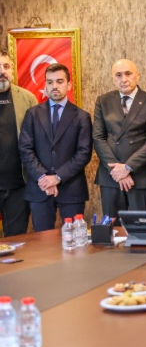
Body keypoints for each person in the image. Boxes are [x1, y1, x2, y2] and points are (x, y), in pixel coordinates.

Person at [18, 63, 92, 231]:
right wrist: (43, 178)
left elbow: (83, 153)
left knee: (74, 240)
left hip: (71, 189)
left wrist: (57, 177)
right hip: (40, 189)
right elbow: (25, 149)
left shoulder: (82, 117)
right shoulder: (32, 114)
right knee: (43, 242)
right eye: (50, 82)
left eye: (59, 81)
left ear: (69, 85)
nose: (54, 86)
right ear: (45, 84)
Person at [93, 59, 146, 220]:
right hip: (111, 176)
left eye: (128, 74)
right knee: (113, 230)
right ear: (112, 78)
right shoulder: (103, 101)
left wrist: (128, 167)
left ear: (137, 76)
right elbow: (98, 137)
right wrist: (117, 170)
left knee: (144, 229)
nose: (123, 79)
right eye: (118, 75)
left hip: (141, 176)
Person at [0, 49, 36, 236]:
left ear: (12, 69)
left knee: (16, 242)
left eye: (6, 66)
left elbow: (39, 140)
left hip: (19, 186)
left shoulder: (28, 98)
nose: (2, 71)